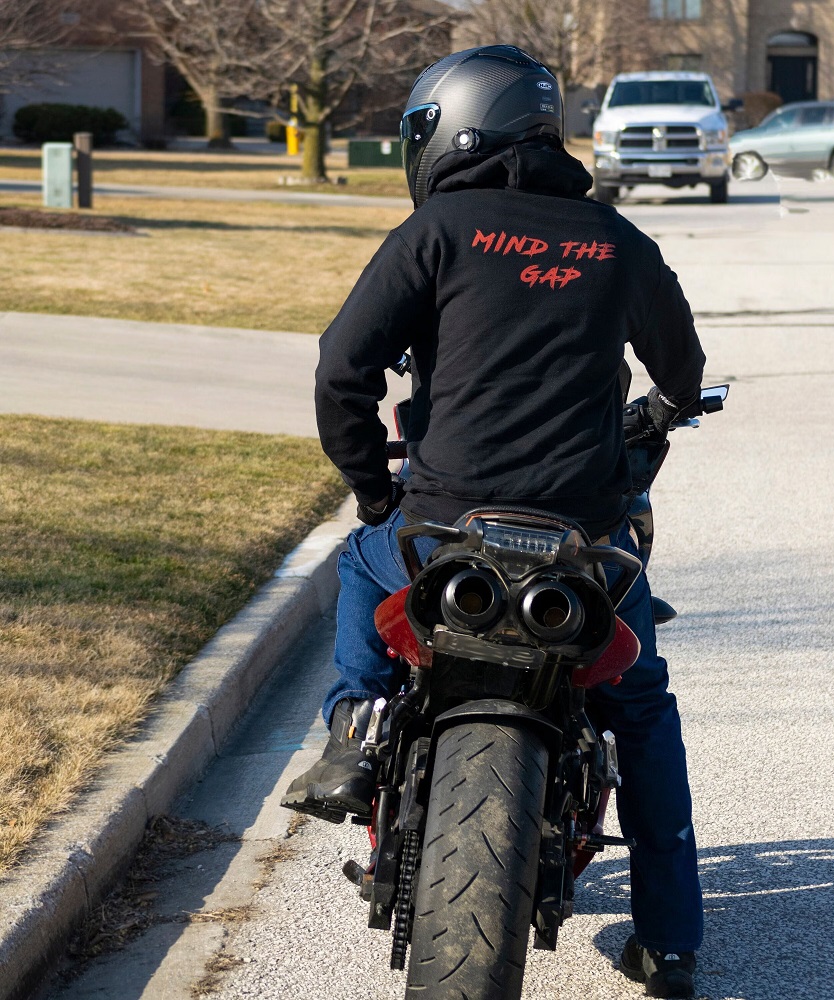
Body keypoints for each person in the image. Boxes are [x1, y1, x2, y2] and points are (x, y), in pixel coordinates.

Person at [281, 45, 707, 999]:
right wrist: (657, 411)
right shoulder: (617, 240)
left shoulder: (436, 230)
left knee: (361, 559)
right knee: (641, 709)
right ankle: (671, 942)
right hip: (585, 547)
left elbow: (342, 371)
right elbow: (682, 372)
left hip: (443, 531)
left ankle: (354, 732)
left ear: (455, 128)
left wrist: (375, 493)